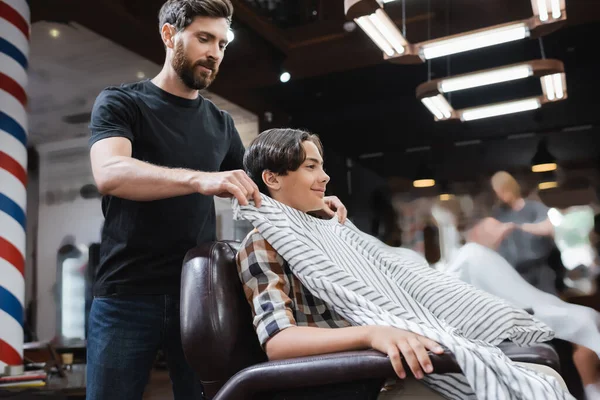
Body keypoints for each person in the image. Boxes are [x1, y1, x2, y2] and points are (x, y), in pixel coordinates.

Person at [86, 1, 347, 399]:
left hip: (199, 293)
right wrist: (200, 179)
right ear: (170, 35)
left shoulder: (220, 123)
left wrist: (314, 207)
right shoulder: (122, 103)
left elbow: (260, 193)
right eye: (204, 39)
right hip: (126, 293)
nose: (214, 53)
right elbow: (110, 173)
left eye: (223, 44)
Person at [235, 128, 572, 400]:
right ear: (273, 179)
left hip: (385, 370)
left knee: (543, 379)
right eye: (310, 167)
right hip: (355, 382)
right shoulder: (262, 242)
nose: (324, 177)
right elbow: (278, 342)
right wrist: (373, 333)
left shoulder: (328, 233)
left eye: (322, 166)